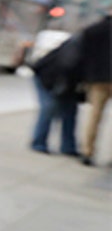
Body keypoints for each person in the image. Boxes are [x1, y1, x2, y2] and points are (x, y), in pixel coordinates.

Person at [30, 28, 84, 158]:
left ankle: (68, 147)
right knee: (49, 107)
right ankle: (39, 142)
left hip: (65, 81)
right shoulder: (81, 45)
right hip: (50, 78)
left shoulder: (85, 43)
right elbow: (66, 65)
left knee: (70, 112)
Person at [75, 10, 112, 166]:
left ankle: (87, 151)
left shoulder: (95, 29)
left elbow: (83, 53)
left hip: (97, 80)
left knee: (94, 116)